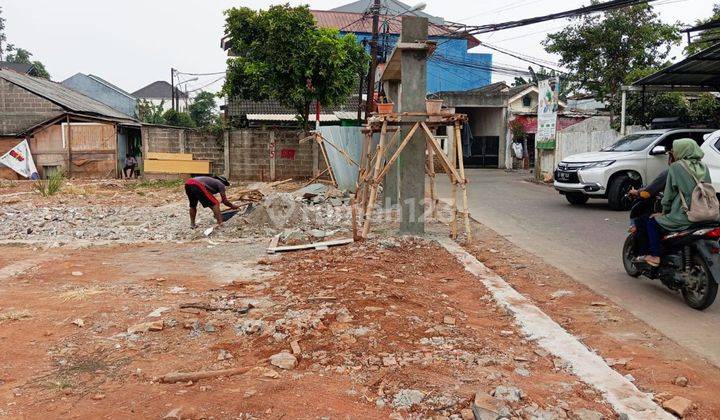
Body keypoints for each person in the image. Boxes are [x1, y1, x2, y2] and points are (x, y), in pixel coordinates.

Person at [637, 139, 711, 266]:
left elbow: (668, 196)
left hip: (685, 215)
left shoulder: (677, 167)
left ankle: (655, 256)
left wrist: (664, 213)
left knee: (651, 222)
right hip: (706, 213)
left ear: (682, 151)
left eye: (675, 150)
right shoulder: (703, 166)